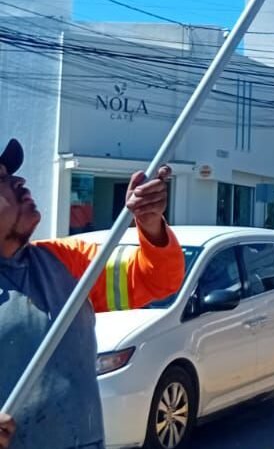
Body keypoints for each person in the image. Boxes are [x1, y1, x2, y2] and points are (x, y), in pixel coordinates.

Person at [0, 138, 185, 449]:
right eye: (2, 179)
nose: (20, 181)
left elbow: (156, 281)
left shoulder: (65, 263)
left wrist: (151, 226)